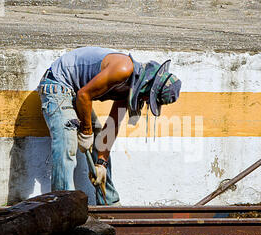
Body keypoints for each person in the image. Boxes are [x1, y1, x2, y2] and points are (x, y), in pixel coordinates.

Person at [38, 47, 182, 205]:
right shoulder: (123, 70)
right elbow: (84, 95)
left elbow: (113, 124)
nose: (147, 101)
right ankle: (63, 205)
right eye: (150, 98)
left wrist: (102, 162)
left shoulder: (130, 88)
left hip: (77, 92)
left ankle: (109, 203)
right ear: (149, 86)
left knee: (100, 138)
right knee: (68, 138)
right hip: (57, 84)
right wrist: (86, 132)